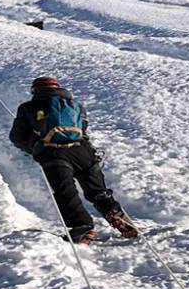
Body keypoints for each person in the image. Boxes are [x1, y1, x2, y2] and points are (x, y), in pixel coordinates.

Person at [8, 77, 140, 243]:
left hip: (53, 153)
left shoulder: (28, 107)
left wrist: (34, 148)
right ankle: (122, 222)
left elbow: (16, 137)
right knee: (98, 191)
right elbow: (83, 129)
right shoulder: (76, 106)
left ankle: (82, 227)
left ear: (35, 91)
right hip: (83, 151)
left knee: (66, 192)